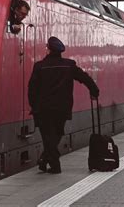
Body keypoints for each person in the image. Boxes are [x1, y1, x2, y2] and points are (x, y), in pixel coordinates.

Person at [28, 36, 100, 174]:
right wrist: (94, 91)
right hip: (62, 107)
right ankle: (46, 160)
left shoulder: (39, 66)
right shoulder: (69, 65)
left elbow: (32, 89)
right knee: (57, 134)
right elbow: (85, 78)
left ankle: (54, 165)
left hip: (43, 109)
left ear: (48, 49)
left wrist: (34, 105)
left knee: (47, 137)